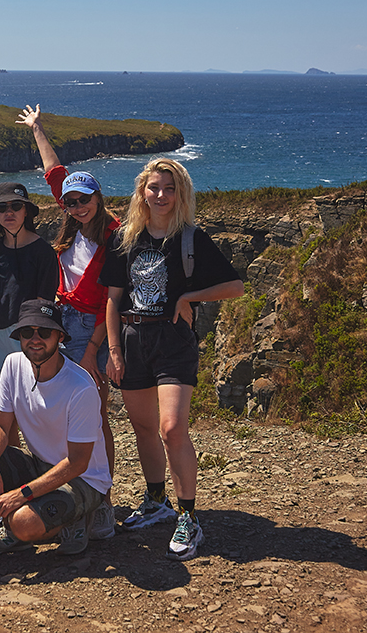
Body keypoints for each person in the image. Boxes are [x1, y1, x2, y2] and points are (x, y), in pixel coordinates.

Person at [100, 157, 244, 561]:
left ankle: (189, 515)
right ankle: (155, 500)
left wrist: (188, 297)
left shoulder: (190, 239)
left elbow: (235, 286)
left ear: (180, 193)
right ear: (141, 191)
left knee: (171, 428)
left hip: (173, 341)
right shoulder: (124, 239)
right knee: (143, 427)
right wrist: (113, 351)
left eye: (169, 188)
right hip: (131, 340)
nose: (160, 196)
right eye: (154, 188)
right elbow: (112, 301)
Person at [18, 104, 119, 540]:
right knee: (62, 412)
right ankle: (71, 490)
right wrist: (37, 127)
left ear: (98, 198)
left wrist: (95, 349)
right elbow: (53, 167)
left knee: (95, 417)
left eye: (84, 200)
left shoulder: (114, 235)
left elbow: (110, 302)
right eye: (70, 201)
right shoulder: (70, 219)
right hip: (61, 319)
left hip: (90, 331)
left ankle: (102, 499)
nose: (77, 207)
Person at [0, 299, 112, 557]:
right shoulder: (13, 364)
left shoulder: (80, 387)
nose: (35, 339)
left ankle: (75, 519)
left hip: (83, 480)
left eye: (44, 332)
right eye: (27, 332)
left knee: (22, 522)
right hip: (42, 465)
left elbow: (78, 463)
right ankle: (40, 520)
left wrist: (21, 495)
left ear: (60, 337)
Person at [0, 182, 58, 404]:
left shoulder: (43, 252)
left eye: (16, 206)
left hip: (28, 337)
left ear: (26, 210)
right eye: (2, 207)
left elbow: (44, 306)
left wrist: (36, 345)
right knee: (2, 411)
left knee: (36, 411)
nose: (9, 212)